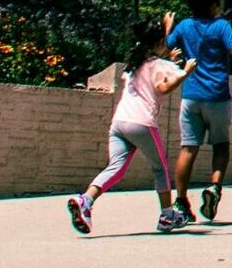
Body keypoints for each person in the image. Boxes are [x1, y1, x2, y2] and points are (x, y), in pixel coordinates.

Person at [69, 20, 196, 235]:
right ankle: (167, 215)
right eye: (164, 39)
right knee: (160, 168)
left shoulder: (133, 64)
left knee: (116, 167)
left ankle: (86, 200)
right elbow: (163, 87)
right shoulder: (159, 65)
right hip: (142, 124)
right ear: (157, 42)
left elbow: (148, 68)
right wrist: (185, 72)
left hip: (119, 123)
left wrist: (165, 44)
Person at [166, 0, 232, 222]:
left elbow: (166, 48)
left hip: (190, 96)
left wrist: (167, 28)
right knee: (221, 145)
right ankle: (214, 187)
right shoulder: (221, 26)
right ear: (215, 5)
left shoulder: (184, 26)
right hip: (217, 96)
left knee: (188, 148)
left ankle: (181, 200)